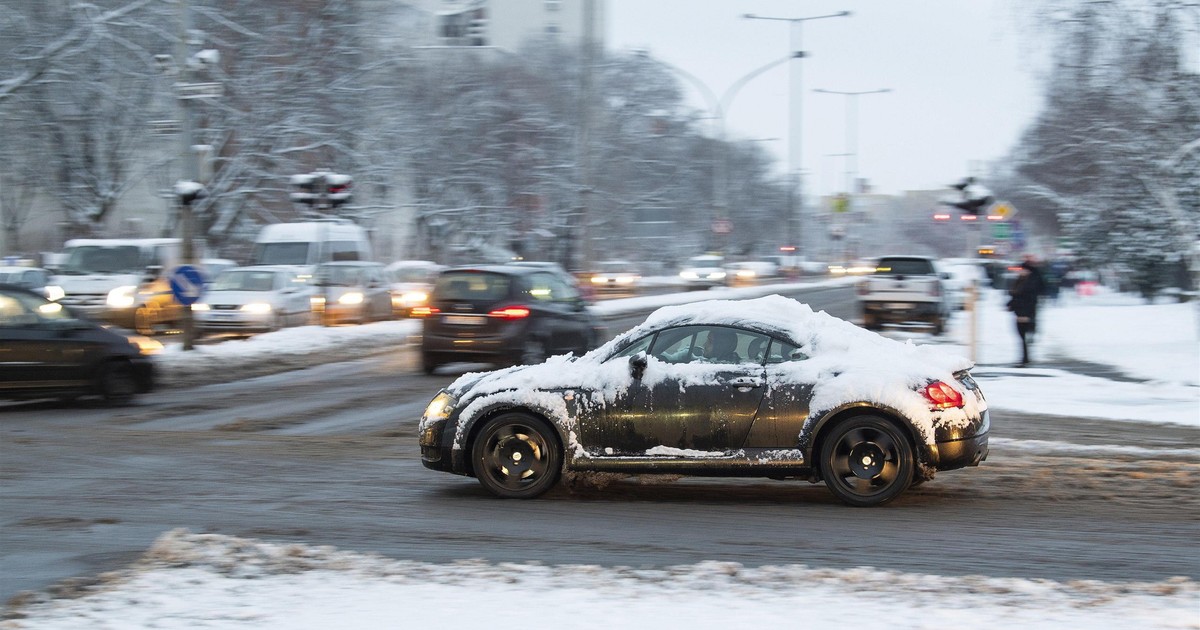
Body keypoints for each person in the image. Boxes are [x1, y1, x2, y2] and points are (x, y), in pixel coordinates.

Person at [1007, 257, 1045, 367]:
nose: (1020, 271)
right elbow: (1016, 296)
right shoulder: (1021, 280)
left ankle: (1025, 359)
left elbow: (1029, 299)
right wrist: (1010, 305)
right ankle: (1025, 358)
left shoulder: (1031, 283)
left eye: (1022, 269)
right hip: (1019, 312)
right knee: (1021, 337)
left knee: (1023, 336)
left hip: (1025, 313)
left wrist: (1025, 314)